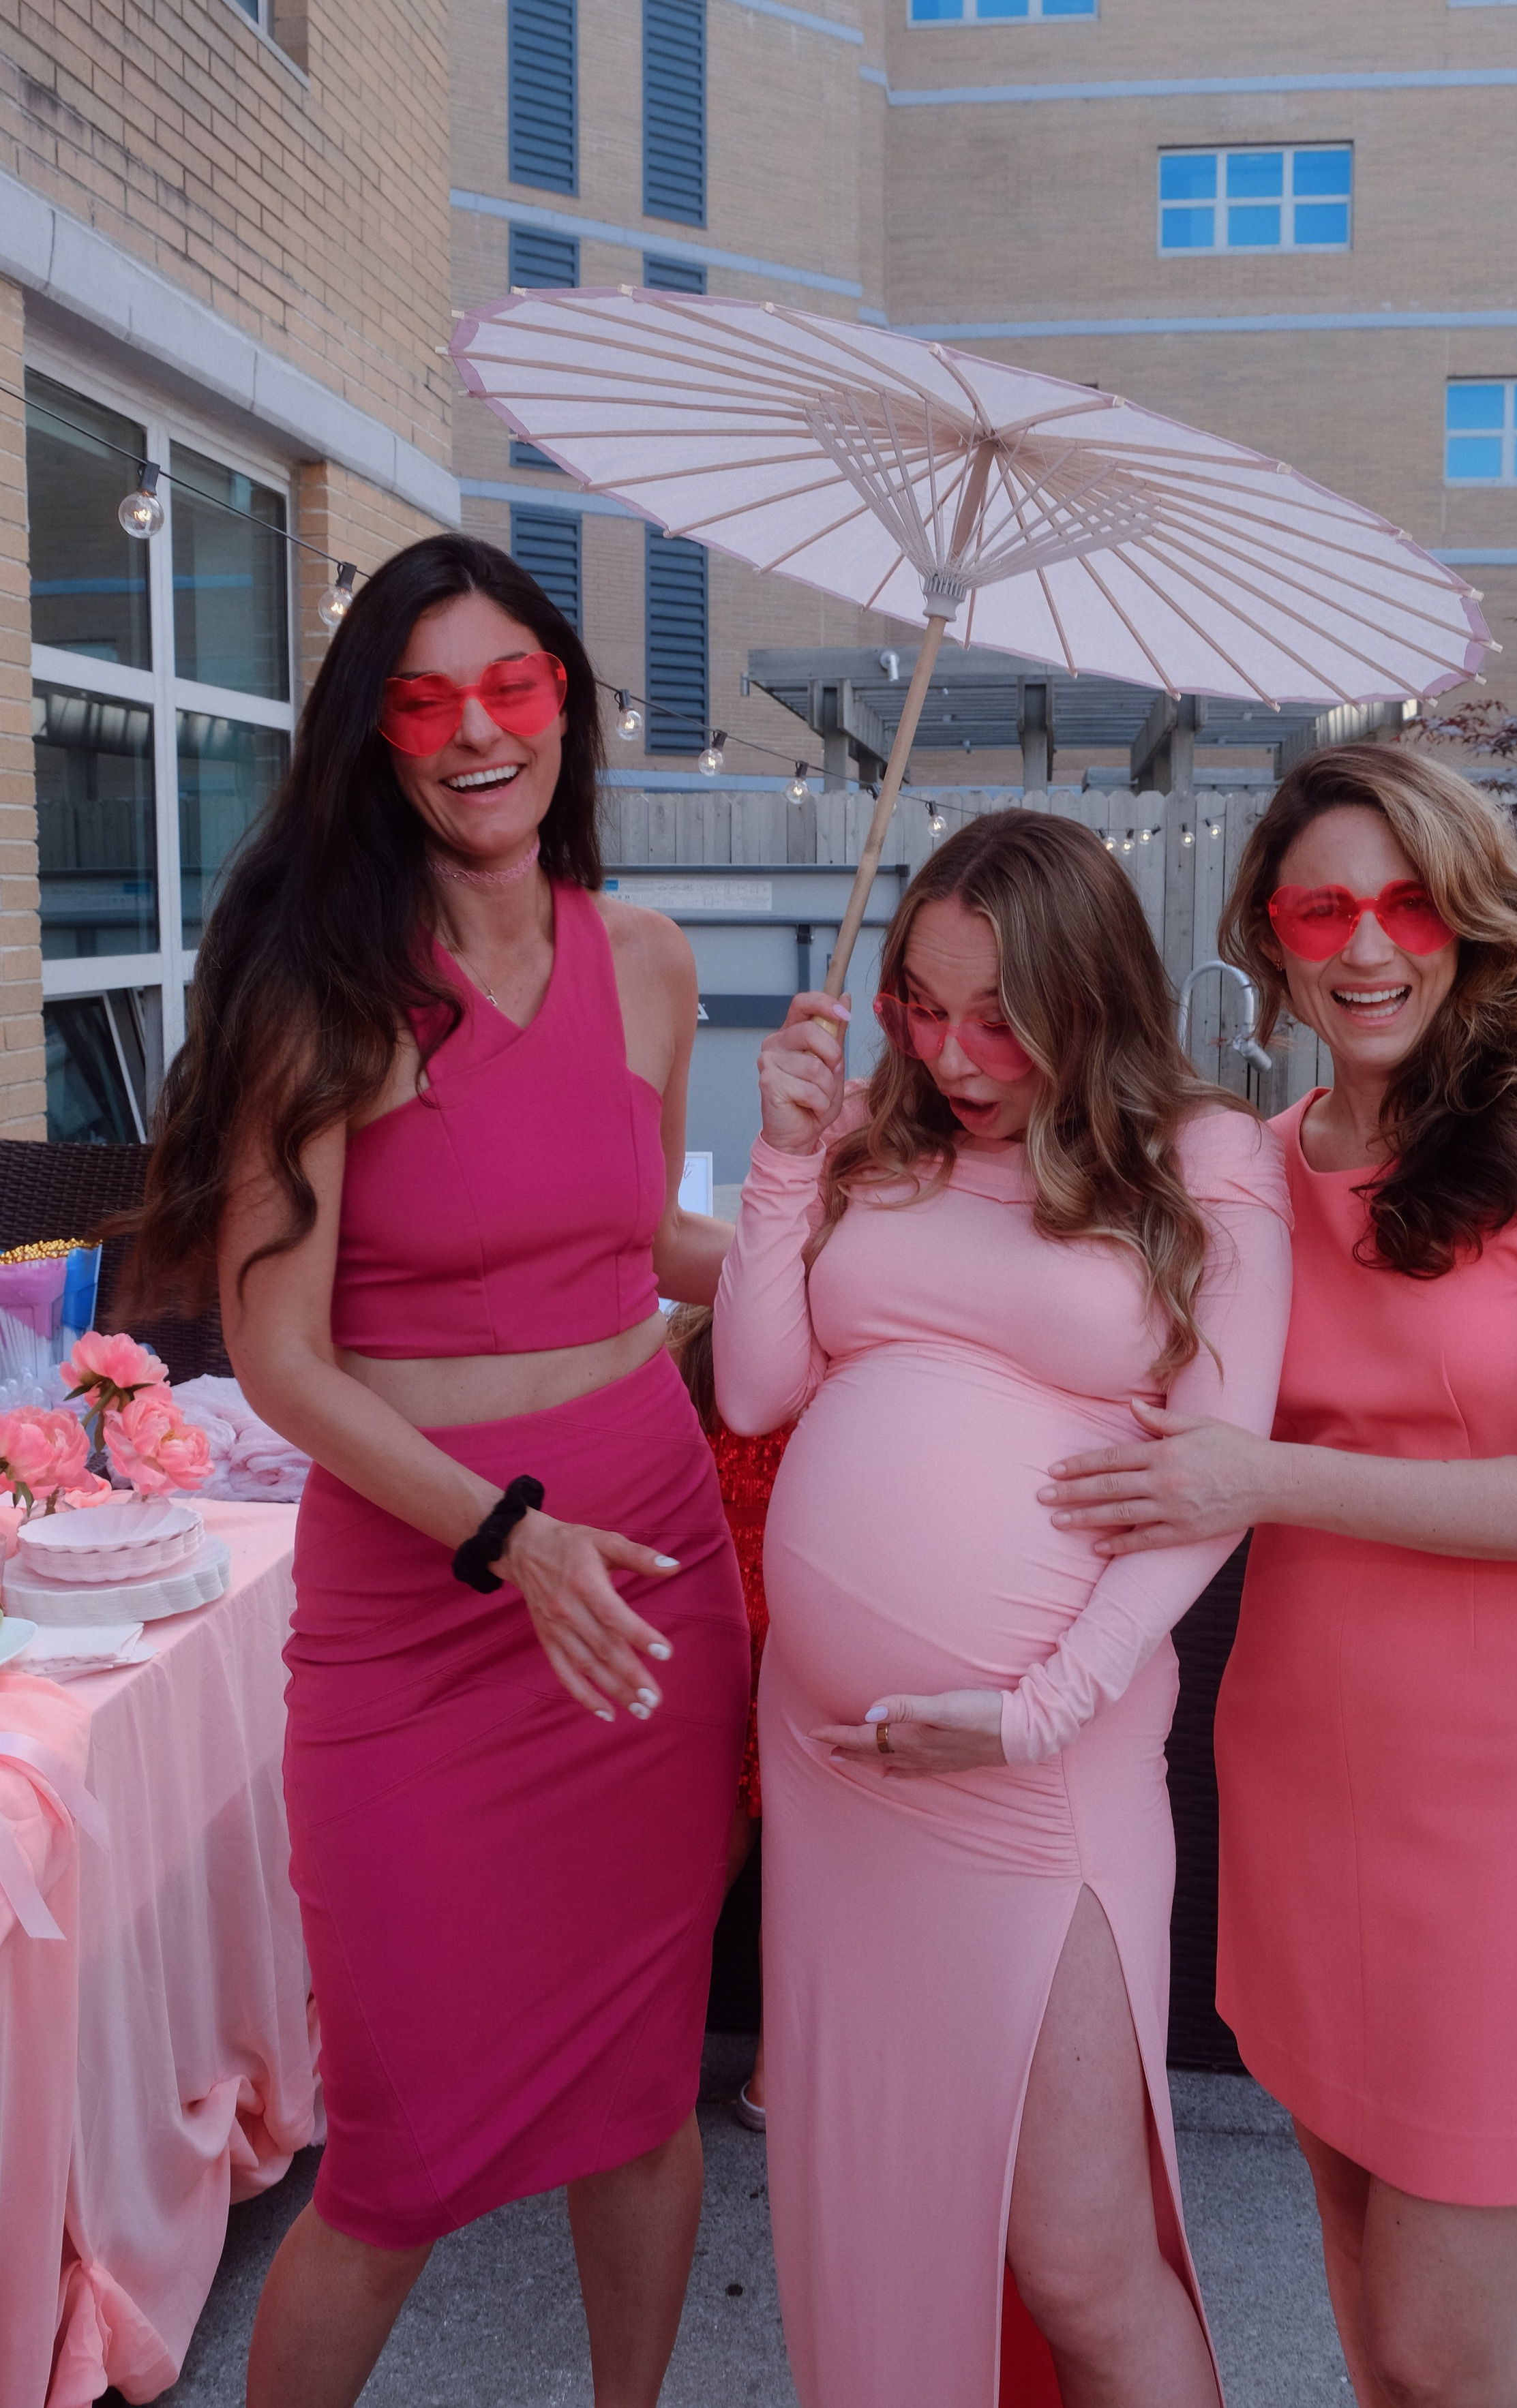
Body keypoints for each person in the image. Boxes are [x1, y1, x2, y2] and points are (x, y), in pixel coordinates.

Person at [127, 535, 749, 2408]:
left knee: (644, 2096)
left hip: (643, 1577)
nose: (479, 733)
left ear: (569, 700)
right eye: (427, 699)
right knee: (391, 2160)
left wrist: (855, 1222)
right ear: (373, 738)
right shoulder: (323, 989)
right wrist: (501, 1532)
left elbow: (639, 1239)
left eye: (515, 688)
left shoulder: (646, 960)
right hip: (426, 1605)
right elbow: (279, 1356)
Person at [1041, 747, 1517, 2408]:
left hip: (1508, 1794)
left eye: (1405, 901)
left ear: (1469, 921)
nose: (1365, 942)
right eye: (1322, 906)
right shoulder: (1248, 1162)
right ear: (1269, 936)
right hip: (1302, 1773)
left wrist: (1270, 1476)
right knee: (1361, 2319)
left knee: (1434, 2341)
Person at [710, 810, 1293, 2408]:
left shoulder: (1204, 1159)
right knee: (880, 2206)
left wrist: (1043, 1702)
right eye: (920, 1000)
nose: (952, 1051)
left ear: (1087, 994)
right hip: (840, 1774)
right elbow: (757, 1381)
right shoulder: (876, 1141)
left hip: (1044, 1769)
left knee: (1081, 2255)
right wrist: (781, 1151)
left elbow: (1214, 1475)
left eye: (996, 1016)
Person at [666, 1300, 792, 2128]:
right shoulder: (841, 1345)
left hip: (704, 1629)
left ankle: (647, 2058)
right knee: (804, 1867)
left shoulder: (686, 1344)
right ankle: (776, 2072)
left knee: (703, 1861)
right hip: (798, 1632)